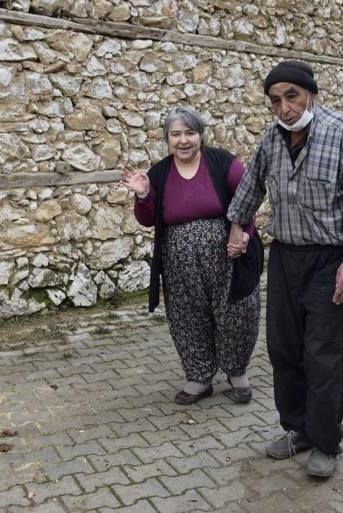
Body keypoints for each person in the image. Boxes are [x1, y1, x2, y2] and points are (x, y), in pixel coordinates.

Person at [226, 61, 343, 478]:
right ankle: (297, 429)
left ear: (311, 93)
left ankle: (326, 441)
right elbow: (250, 186)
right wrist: (237, 226)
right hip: (285, 259)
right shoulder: (272, 138)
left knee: (324, 354)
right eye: (275, 100)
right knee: (284, 349)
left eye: (292, 96)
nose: (285, 108)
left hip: (330, 261)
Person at [120, 106, 262, 406]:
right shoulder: (159, 173)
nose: (183, 140)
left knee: (237, 315)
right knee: (188, 318)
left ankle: (237, 373)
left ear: (200, 135)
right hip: (180, 266)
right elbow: (147, 219)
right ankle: (199, 378)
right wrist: (143, 195)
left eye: (190, 133)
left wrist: (245, 236)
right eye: (176, 134)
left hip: (229, 260)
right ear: (167, 139)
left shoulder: (223, 162)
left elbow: (247, 200)